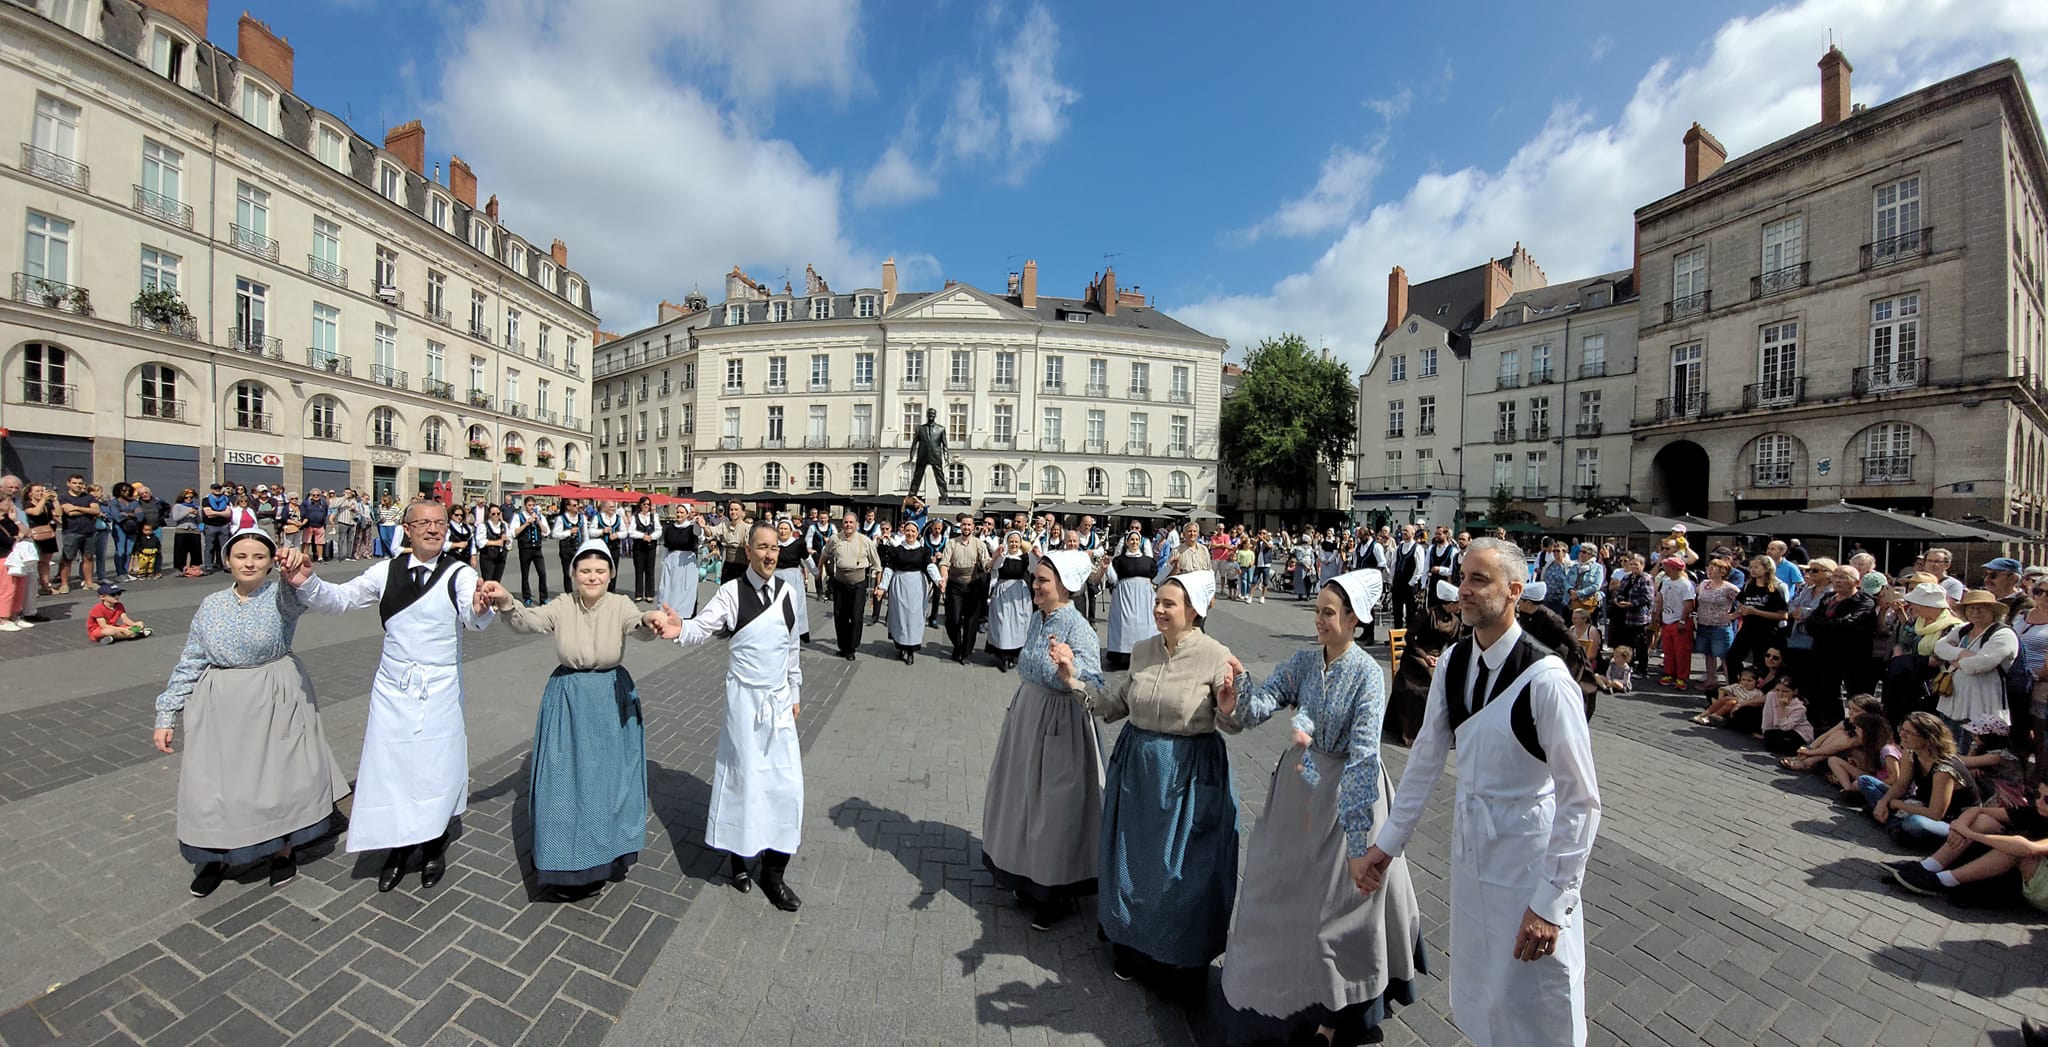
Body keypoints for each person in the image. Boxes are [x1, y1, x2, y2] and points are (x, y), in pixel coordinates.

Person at [1361, 538, 1602, 1047]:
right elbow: (1426, 759)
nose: (1463, 591)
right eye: (1462, 578)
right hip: (1472, 848)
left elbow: (1580, 800)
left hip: (1527, 856)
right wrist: (1386, 846)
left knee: (1538, 988)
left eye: (1479, 580)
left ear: (1514, 591)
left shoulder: (1547, 680)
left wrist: (1551, 901)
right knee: (1484, 980)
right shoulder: (1454, 662)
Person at [1219, 569, 1427, 1044]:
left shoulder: (1368, 675)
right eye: (1316, 612)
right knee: (1275, 894)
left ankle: (1335, 1014)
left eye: (1328, 614)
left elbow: (1363, 755)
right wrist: (1239, 697)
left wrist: (1359, 841)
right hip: (1299, 790)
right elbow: (1266, 701)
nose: (1319, 621)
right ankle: (1282, 997)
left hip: (1344, 797)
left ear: (1355, 619)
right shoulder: (1304, 661)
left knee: (1333, 914)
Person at [282, 499, 494, 892]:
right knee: (391, 765)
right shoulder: (386, 570)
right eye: (424, 523)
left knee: (435, 764)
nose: (433, 529)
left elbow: (473, 616)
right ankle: (397, 846)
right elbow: (339, 599)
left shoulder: (460, 573)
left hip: (439, 685)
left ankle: (432, 843)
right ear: (408, 529)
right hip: (394, 685)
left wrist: (482, 606)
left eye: (440, 523)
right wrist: (306, 582)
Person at [1057, 572, 1241, 992]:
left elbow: (1233, 722)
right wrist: (1073, 680)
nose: (1158, 609)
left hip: (1189, 776)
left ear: (1193, 610)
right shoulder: (1142, 651)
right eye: (1157, 601)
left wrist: (1230, 706)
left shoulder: (1216, 655)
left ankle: (1181, 963)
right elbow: (1118, 702)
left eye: (1169, 604)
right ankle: (1131, 946)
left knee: (1185, 872)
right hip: (1138, 773)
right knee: (1133, 864)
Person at [151, 524, 348, 896]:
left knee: (278, 776)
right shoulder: (211, 605)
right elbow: (192, 658)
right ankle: (216, 857)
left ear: (270, 561)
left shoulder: (281, 597)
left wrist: (297, 566)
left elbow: (302, 589)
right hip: (219, 702)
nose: (249, 563)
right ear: (227, 560)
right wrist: (167, 713)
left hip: (273, 695)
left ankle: (282, 851)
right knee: (215, 782)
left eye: (259, 556)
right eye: (241, 556)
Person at [479, 544, 668, 900]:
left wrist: (650, 619)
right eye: (585, 571)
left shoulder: (619, 604)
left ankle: (605, 857)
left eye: (600, 571)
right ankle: (565, 865)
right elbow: (530, 621)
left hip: (610, 695)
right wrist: (506, 601)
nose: (592, 577)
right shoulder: (564, 604)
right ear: (573, 575)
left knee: (607, 781)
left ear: (611, 574)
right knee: (563, 779)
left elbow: (637, 624)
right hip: (568, 696)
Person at [655, 520, 806, 912]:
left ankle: (774, 873)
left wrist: (795, 691)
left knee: (785, 787)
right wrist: (679, 628)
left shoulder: (790, 593)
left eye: (774, 547)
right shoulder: (731, 592)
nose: (770, 554)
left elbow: (792, 649)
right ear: (748, 551)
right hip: (743, 705)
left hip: (778, 705)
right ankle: (740, 859)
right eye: (762, 547)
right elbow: (701, 627)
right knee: (745, 782)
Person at [981, 549, 1106, 930]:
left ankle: (1058, 890)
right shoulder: (1039, 618)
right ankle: (1027, 874)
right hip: (1028, 717)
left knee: (1055, 807)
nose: (1035, 585)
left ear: (1065, 587)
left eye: (1042, 581)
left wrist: (1071, 667)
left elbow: (1095, 684)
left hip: (1060, 723)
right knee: (1024, 799)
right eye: (1035, 579)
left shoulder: (1078, 627)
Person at [1856, 712, 1980, 850]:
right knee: (1865, 781)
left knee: (1915, 823)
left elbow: (1936, 814)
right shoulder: (1910, 753)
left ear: (1928, 739)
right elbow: (1901, 785)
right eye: (1902, 730)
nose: (1902, 735)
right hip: (1919, 803)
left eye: (1909, 733)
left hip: (1951, 820)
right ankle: (1894, 822)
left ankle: (1894, 823)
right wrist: (1883, 802)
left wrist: (1897, 805)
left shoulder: (1943, 769)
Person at [1934, 590, 2018, 744]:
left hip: (1981, 701)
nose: (1976, 612)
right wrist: (1963, 653)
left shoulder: (2003, 634)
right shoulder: (1964, 629)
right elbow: (1939, 647)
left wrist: (1955, 660)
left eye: (1982, 608)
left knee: (1975, 746)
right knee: (1949, 745)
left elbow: (1980, 664)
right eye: (1971, 608)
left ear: (1993, 611)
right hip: (1952, 701)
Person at [818, 511, 877, 661]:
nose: (848, 525)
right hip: (840, 582)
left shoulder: (865, 541)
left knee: (856, 617)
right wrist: (819, 570)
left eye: (851, 522)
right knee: (840, 616)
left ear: (856, 524)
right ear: (842, 524)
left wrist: (879, 585)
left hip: (858, 583)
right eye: (846, 522)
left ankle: (852, 648)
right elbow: (825, 553)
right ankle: (843, 647)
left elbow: (877, 564)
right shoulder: (835, 539)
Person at [939, 513, 993, 664]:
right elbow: (944, 563)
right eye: (964, 524)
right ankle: (957, 646)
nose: (966, 527)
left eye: (969, 525)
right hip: (955, 584)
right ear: (960, 526)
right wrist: (944, 578)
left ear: (973, 527)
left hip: (973, 585)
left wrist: (994, 559)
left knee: (971, 621)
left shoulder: (978, 544)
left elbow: (986, 564)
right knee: (953, 620)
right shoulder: (952, 543)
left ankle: (965, 651)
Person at [984, 532, 1035, 672]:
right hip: (1003, 592)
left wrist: (1036, 554)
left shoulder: (1024, 558)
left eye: (1016, 542)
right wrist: (999, 554)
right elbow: (995, 567)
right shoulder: (1003, 556)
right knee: (1003, 622)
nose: (1013, 544)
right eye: (1011, 541)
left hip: (1019, 592)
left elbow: (1034, 568)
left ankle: (1014, 654)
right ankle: (1003, 655)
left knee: (1018, 623)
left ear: (1020, 543)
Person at [1691, 557, 1742, 695]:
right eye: (1709, 567)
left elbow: (1743, 603)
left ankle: (1730, 685)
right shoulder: (1704, 584)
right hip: (1703, 624)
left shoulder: (1729, 588)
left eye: (1714, 568)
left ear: (1723, 571)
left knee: (1724, 656)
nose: (1710, 570)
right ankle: (1710, 681)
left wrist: (1733, 615)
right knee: (1708, 654)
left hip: (1720, 626)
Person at [1653, 556, 1697, 690]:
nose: (1663, 569)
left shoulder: (1685, 584)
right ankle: (1669, 673)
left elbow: (1688, 604)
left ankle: (1681, 677)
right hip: (1666, 620)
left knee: (1682, 651)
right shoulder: (1665, 581)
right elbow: (1660, 598)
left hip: (1679, 620)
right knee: (1668, 650)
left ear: (1673, 568)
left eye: (1666, 566)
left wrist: (1683, 620)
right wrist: (1657, 614)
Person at [769, 517, 814, 644]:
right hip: (776, 576)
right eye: (780, 528)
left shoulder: (798, 544)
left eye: (785, 529)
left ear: (791, 530)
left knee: (795, 606)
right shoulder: (773, 544)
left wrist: (815, 572)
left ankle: (795, 633)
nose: (782, 531)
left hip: (793, 577)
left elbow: (807, 558)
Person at [656, 503, 704, 619]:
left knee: (685, 588)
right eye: (678, 512)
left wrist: (699, 524)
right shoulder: (670, 529)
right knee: (669, 587)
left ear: (687, 514)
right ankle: (669, 611)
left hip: (687, 562)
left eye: (682, 512)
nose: (679, 514)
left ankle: (685, 614)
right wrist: (664, 561)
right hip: (672, 560)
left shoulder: (692, 528)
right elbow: (666, 547)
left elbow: (700, 536)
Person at [510, 497, 553, 606]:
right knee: (525, 574)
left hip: (537, 549)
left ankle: (544, 597)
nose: (531, 507)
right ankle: (526, 596)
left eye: (533, 505)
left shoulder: (540, 517)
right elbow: (514, 533)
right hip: (525, 549)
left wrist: (538, 521)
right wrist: (526, 523)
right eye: (529, 505)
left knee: (542, 573)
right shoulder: (518, 517)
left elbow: (546, 532)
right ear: (525, 506)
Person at [85, 581, 152, 643]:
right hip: (99, 630)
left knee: (140, 623)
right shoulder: (98, 608)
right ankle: (133, 635)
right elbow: (103, 625)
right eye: (113, 594)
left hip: (113, 627)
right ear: (102, 597)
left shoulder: (119, 605)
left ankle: (114, 637)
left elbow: (126, 620)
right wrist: (123, 630)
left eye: (119, 593)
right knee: (110, 631)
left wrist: (134, 625)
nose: (117, 596)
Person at [627, 497, 661, 603]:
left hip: (651, 545)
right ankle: (639, 593)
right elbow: (631, 531)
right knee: (639, 570)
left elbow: (659, 530)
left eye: (648, 504)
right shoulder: (635, 517)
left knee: (650, 570)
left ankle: (649, 593)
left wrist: (652, 536)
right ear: (640, 505)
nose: (647, 506)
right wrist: (642, 536)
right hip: (639, 546)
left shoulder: (654, 516)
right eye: (645, 504)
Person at [712, 500, 752, 585]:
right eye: (731, 509)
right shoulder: (724, 525)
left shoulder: (748, 528)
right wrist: (704, 526)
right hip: (728, 566)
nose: (733, 512)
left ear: (743, 513)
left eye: (736, 510)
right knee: (725, 593)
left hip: (743, 566)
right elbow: (712, 531)